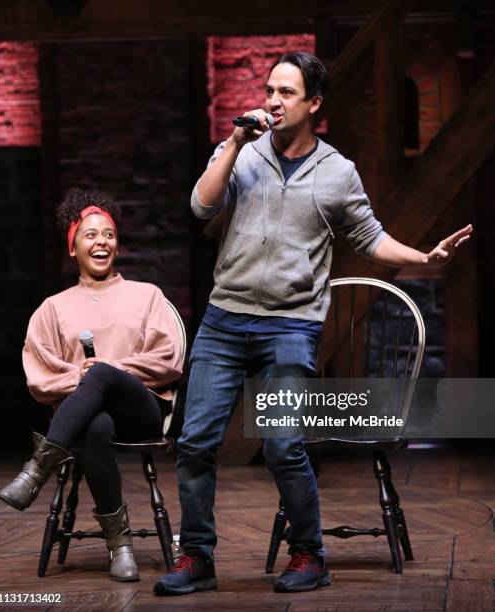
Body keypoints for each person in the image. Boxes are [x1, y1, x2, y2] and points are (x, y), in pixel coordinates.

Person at [153, 51, 472, 596]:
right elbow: (202, 206)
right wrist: (232, 144)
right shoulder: (245, 154)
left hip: (290, 326)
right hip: (225, 321)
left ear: (314, 104)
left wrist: (423, 259)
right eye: (269, 90)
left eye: (286, 93)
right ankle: (197, 558)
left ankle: (309, 554)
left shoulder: (337, 173)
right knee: (196, 441)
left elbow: (371, 237)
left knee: (281, 444)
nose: (272, 102)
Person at [0, 188, 183, 582]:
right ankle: (120, 546)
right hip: (85, 420)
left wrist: (110, 369)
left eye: (109, 234)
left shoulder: (147, 295)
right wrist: (79, 378)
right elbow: (39, 377)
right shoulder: (53, 307)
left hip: (141, 409)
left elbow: (168, 360)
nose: (102, 242)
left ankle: (36, 470)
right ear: (73, 248)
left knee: (98, 372)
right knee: (96, 423)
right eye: (90, 235)